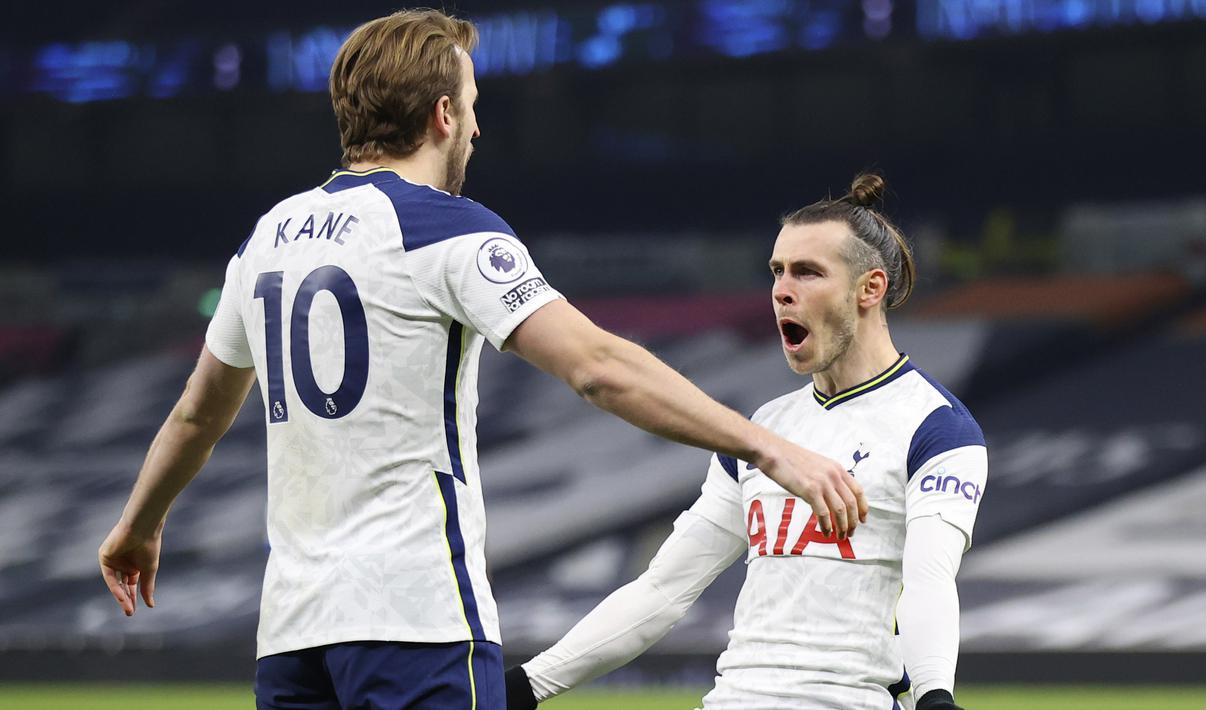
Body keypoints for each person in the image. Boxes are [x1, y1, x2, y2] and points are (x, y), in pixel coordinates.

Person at [96, 10, 868, 710]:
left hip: (294, 638)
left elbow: (197, 413)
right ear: (442, 114)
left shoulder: (266, 238)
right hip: (414, 620)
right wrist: (766, 447)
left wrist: (138, 523)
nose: (475, 129)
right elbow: (597, 366)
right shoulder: (444, 227)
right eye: (471, 105)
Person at [505, 173, 987, 710]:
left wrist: (935, 697)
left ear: (869, 289)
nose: (782, 290)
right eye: (777, 271)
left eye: (807, 272)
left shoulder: (937, 428)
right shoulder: (766, 429)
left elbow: (929, 581)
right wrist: (523, 686)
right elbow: (664, 589)